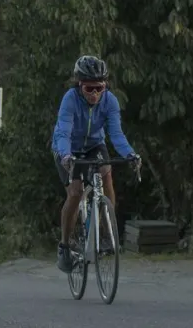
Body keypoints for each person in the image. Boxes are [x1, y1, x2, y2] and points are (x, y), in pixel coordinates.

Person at [51, 55, 140, 273]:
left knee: (107, 174)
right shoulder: (70, 99)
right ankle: (64, 246)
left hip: (94, 145)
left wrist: (130, 154)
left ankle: (108, 233)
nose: (94, 94)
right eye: (89, 88)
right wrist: (65, 156)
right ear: (79, 84)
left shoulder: (110, 100)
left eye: (99, 88)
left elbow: (116, 134)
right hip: (68, 148)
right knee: (75, 192)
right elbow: (63, 131)